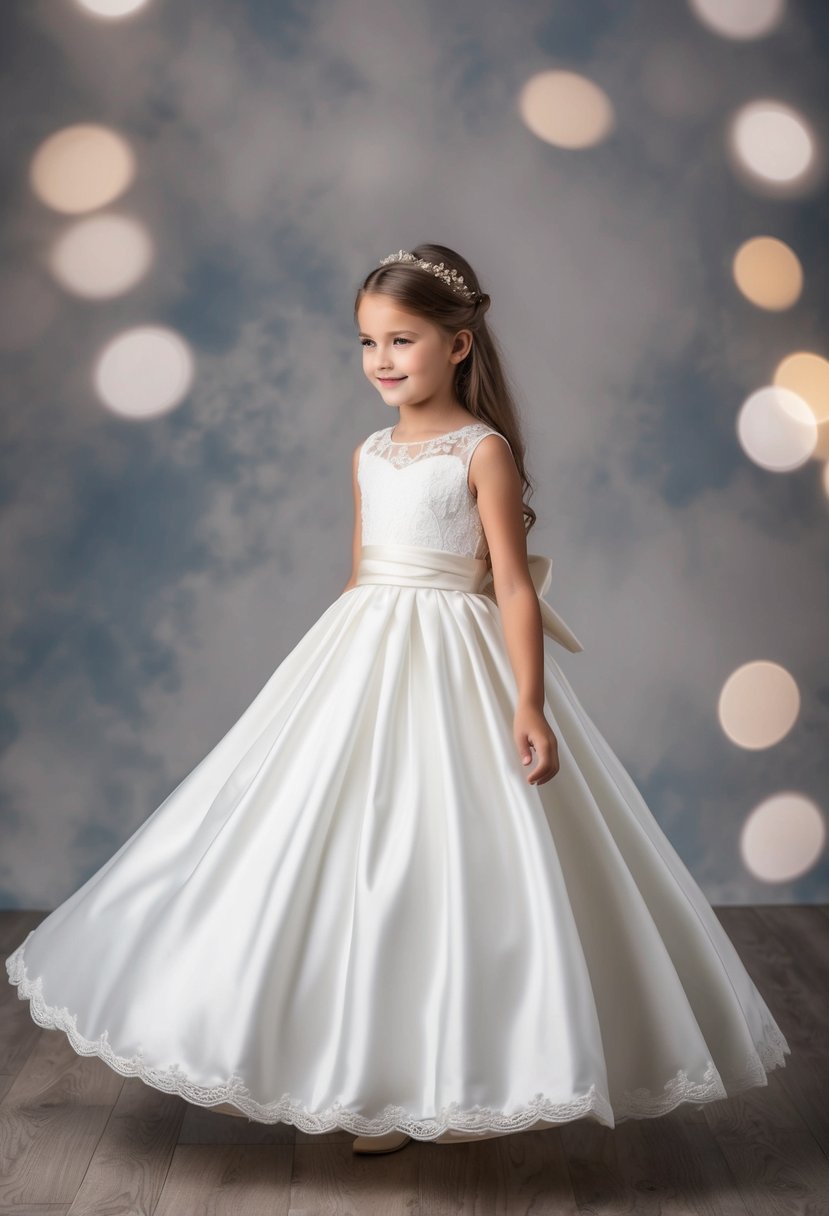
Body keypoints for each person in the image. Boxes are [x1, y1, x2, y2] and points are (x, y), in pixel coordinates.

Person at [5, 243, 789, 1158]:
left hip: (455, 659)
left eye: (401, 340)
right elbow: (359, 574)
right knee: (341, 855)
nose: (381, 360)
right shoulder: (370, 451)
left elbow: (513, 588)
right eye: (366, 342)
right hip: (360, 651)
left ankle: (450, 1083)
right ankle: (371, 1086)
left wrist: (528, 705)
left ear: (457, 346)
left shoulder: (480, 450)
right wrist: (324, 671)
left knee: (449, 860)